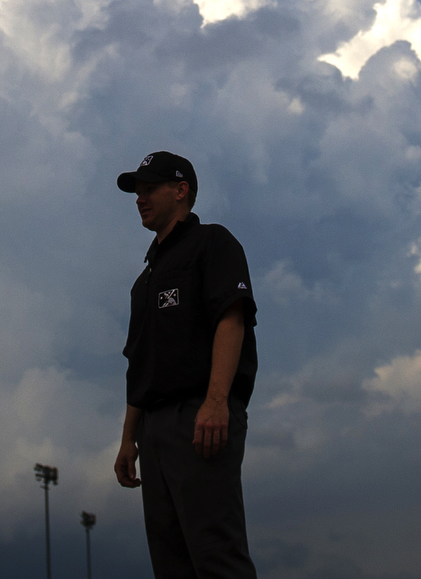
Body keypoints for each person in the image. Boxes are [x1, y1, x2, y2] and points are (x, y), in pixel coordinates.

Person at [111, 150, 259, 579]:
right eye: (136, 191)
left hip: (200, 417)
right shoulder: (146, 278)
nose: (140, 198)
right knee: (171, 564)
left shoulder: (211, 242)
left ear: (181, 191)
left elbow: (231, 318)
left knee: (216, 556)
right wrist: (128, 438)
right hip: (154, 429)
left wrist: (216, 403)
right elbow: (139, 363)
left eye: (150, 188)